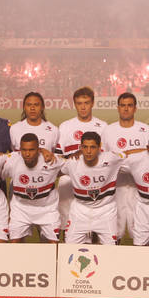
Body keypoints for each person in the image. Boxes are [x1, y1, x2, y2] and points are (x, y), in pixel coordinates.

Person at [54, 86, 107, 235]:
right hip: (68, 182)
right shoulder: (65, 126)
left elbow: (106, 158)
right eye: (79, 103)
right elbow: (58, 158)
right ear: (74, 104)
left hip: (94, 181)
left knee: (96, 227)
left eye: (86, 103)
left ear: (92, 103)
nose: (83, 107)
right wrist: (73, 158)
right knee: (66, 225)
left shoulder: (102, 126)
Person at [59, 131, 124, 244]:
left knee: (112, 250)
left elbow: (131, 154)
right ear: (80, 147)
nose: (88, 151)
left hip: (106, 211)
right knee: (69, 248)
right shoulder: (72, 163)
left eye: (93, 147)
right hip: (80, 211)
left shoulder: (111, 159)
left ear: (99, 148)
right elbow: (51, 169)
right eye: (85, 147)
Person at [104, 92, 149, 241]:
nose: (126, 109)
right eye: (123, 105)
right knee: (113, 232)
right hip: (115, 187)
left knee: (140, 231)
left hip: (139, 188)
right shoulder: (108, 131)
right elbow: (104, 160)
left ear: (135, 108)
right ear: (118, 108)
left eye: (129, 105)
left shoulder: (145, 130)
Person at [3, 133, 64, 243]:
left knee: (54, 246)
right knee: (13, 245)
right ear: (19, 150)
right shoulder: (12, 160)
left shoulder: (51, 161)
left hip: (47, 210)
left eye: (31, 150)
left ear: (38, 149)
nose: (27, 154)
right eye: (24, 150)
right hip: (21, 210)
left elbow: (75, 163)